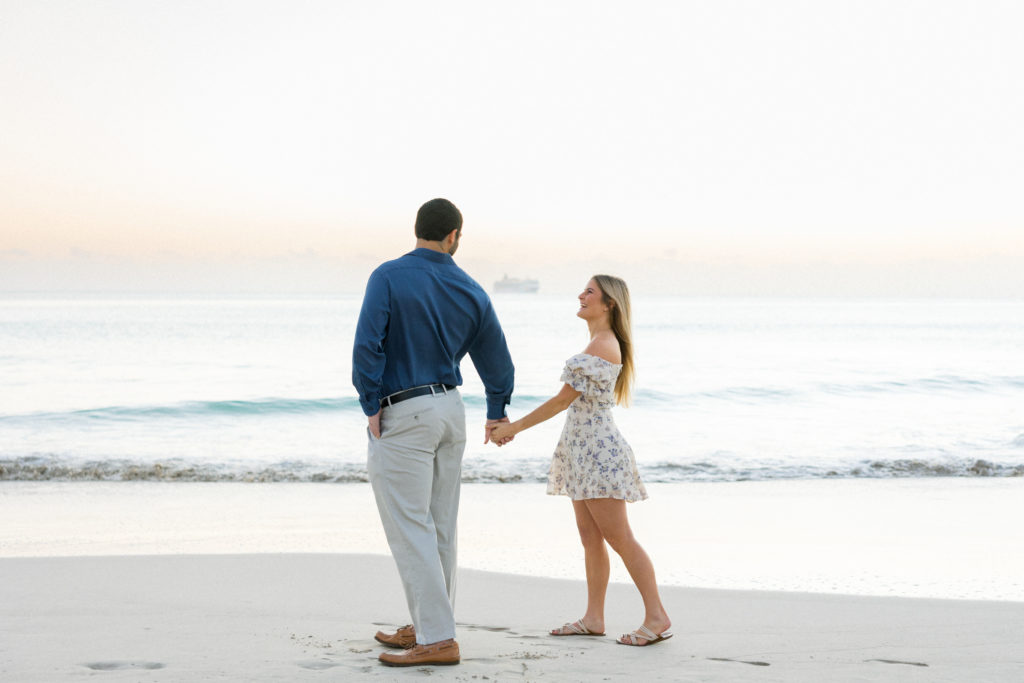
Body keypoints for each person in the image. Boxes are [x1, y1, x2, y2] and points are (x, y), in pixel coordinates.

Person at [352, 198, 515, 667]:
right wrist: (496, 410)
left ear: (417, 229)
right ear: (454, 237)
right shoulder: (471, 289)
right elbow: (497, 361)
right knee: (441, 526)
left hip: (406, 411)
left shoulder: (388, 275)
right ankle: (429, 625)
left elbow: (368, 345)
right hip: (451, 409)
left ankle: (438, 637)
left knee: (411, 528)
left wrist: (370, 405)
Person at [488, 275, 672, 647]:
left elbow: (561, 401)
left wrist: (514, 428)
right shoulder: (597, 343)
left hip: (598, 454)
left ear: (609, 305)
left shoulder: (602, 346)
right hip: (582, 453)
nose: (581, 295)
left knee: (620, 538)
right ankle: (593, 618)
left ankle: (657, 617)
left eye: (590, 292)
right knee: (591, 538)